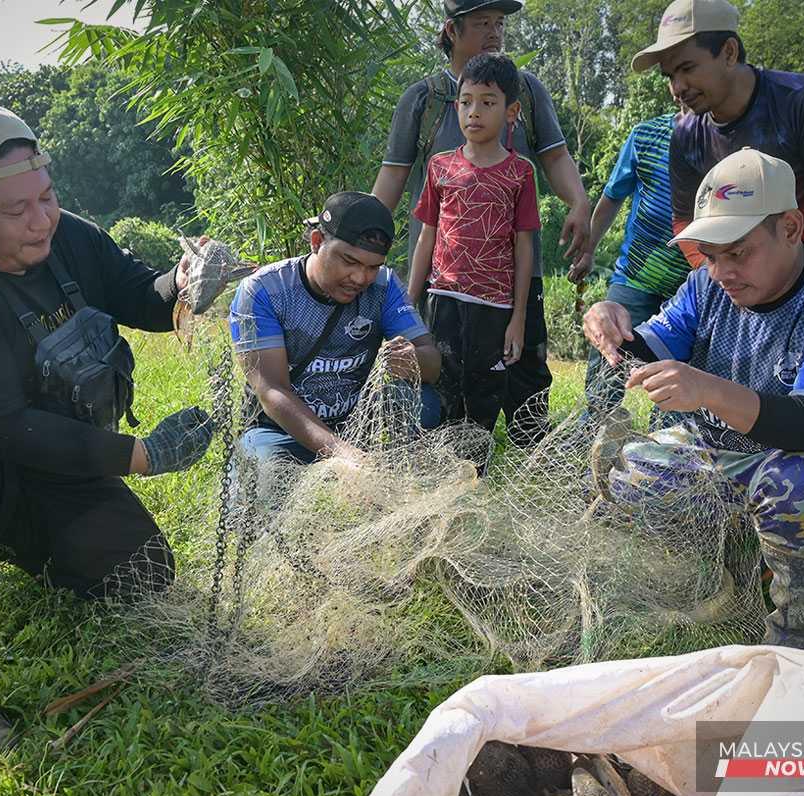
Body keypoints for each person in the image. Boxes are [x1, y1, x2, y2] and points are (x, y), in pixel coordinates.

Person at [0, 102, 216, 762]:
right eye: (15, 210)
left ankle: (10, 541)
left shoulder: (65, 235)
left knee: (144, 574)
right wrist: (140, 454)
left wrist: (187, 282)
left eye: (46, 197)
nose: (42, 219)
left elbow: (142, 293)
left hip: (50, 459)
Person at [581, 149, 804, 650]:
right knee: (634, 467)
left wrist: (706, 389)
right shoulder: (703, 287)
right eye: (710, 255)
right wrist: (609, 320)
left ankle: (793, 634)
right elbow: (644, 350)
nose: (722, 271)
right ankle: (737, 565)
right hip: (730, 453)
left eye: (737, 252)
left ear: (791, 228)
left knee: (795, 485)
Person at [372, 0, 593, 447]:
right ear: (451, 31)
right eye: (480, 23)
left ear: (507, 109)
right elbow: (393, 174)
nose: (494, 32)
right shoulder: (425, 99)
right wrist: (363, 237)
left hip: (512, 272)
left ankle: (535, 454)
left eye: (499, 23)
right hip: (443, 275)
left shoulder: (524, 91)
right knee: (445, 366)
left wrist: (579, 201)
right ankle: (447, 452)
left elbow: (554, 155)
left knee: (525, 365)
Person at [632, 0, 804, 276]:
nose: (677, 88)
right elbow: (684, 219)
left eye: (688, 68)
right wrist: (714, 273)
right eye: (670, 76)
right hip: (758, 272)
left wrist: (802, 278)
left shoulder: (803, 100)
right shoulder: (686, 135)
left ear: (729, 52)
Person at [231, 191, 442, 471]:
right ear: (317, 242)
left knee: (422, 401)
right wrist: (344, 454)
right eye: (349, 261)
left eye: (372, 267)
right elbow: (272, 391)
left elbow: (433, 364)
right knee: (271, 467)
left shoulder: (384, 285)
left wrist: (412, 359)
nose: (360, 278)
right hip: (280, 430)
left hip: (355, 425)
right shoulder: (264, 291)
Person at [407, 53, 540, 435]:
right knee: (441, 385)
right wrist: (409, 302)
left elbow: (523, 247)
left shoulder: (519, 173)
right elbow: (427, 237)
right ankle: (439, 472)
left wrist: (517, 318)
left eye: (487, 102)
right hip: (443, 299)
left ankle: (475, 475)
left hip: (493, 307)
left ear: (510, 111)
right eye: (466, 102)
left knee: (483, 392)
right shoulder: (441, 166)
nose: (474, 112)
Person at [581, 106, 692, 411]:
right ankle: (593, 432)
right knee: (609, 353)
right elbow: (611, 197)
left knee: (680, 383)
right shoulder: (645, 135)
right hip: (635, 277)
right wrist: (588, 250)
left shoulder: (727, 141)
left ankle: (671, 448)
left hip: (693, 286)